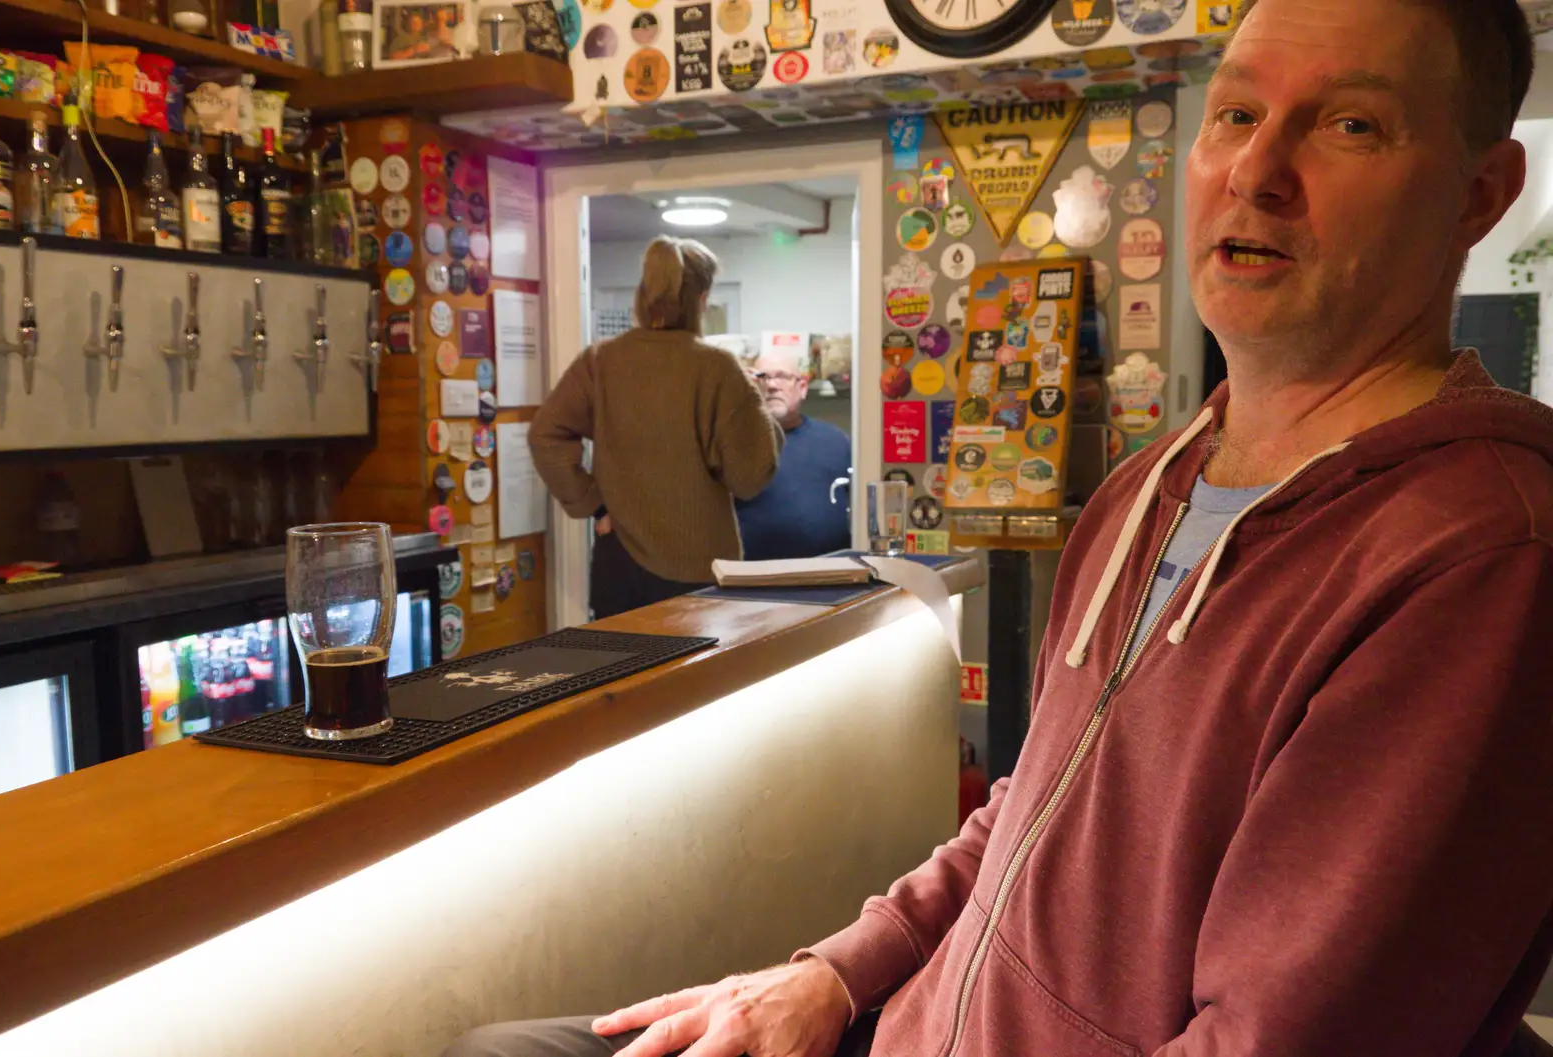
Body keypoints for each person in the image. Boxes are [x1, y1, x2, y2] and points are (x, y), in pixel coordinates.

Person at [452, 0, 1553, 1054]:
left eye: (1350, 124)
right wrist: (834, 971)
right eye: (1235, 112)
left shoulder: (1476, 558)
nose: (1256, 173)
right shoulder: (1149, 482)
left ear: (1477, 195)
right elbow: (1032, 805)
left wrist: (601, 505)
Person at [530, 236, 782, 620]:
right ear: (701, 300)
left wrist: (594, 504)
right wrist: (756, 401)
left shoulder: (602, 360)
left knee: (621, 679)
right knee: (702, 681)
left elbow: (545, 435)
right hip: (701, 573)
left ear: (641, 295)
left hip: (619, 565)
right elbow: (750, 476)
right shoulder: (717, 368)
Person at [735, 347, 852, 561]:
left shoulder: (836, 441)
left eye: (782, 377)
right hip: (749, 581)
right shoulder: (731, 442)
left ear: (803, 387)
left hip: (831, 579)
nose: (771, 385)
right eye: (762, 377)